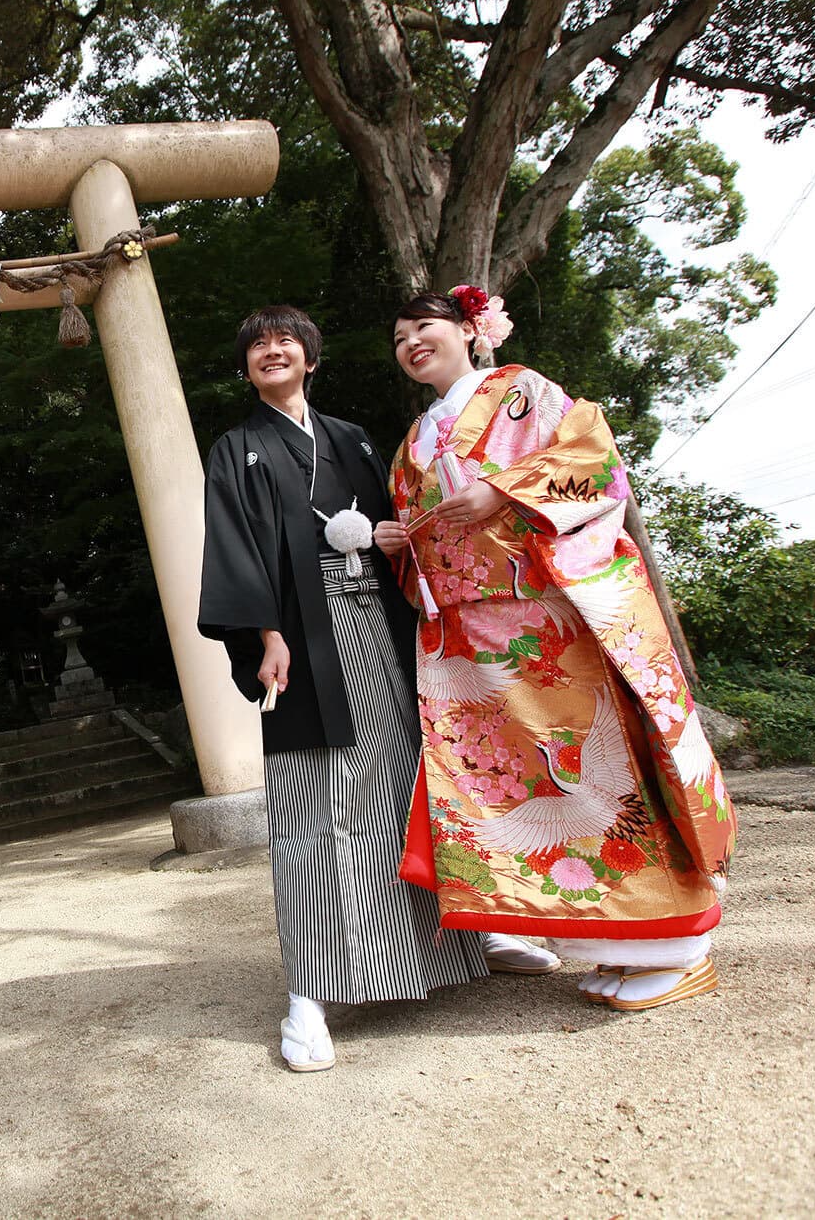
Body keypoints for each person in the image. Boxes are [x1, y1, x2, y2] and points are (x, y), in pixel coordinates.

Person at [373, 287, 737, 1012]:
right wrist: (399, 543)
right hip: (478, 643)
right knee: (540, 787)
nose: (412, 340)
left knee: (603, 775)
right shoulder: (413, 442)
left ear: (471, 331)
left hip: (551, 617)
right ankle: (612, 945)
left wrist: (504, 492)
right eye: (399, 335)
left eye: (426, 326)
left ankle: (677, 943)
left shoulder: (523, 391)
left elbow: (593, 458)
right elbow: (426, 537)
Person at [198, 306, 528, 1075]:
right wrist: (265, 636)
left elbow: (409, 522)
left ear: (311, 358)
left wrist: (391, 538)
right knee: (319, 807)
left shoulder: (356, 439)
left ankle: (468, 938)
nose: (270, 351)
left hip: (381, 626)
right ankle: (310, 991)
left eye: (284, 341)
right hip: (303, 640)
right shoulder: (237, 448)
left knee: (416, 784)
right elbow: (234, 549)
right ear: (248, 367)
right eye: (256, 345)